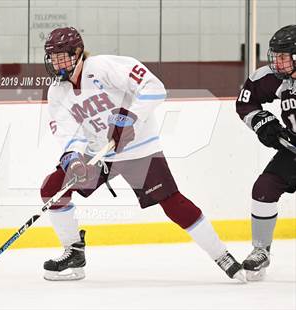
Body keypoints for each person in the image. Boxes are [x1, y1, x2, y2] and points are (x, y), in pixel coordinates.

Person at [40, 26, 245, 282]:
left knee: (173, 203)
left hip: (138, 150)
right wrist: (73, 156)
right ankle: (74, 251)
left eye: (63, 56)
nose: (57, 63)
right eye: (53, 57)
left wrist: (129, 119)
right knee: (53, 188)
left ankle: (222, 256)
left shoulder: (103, 68)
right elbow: (67, 131)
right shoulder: (57, 92)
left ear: (78, 52)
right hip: (99, 155)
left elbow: (154, 86)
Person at [236, 24, 296, 281]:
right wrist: (264, 123)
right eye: (276, 56)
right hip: (293, 151)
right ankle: (261, 250)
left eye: (283, 57)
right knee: (264, 188)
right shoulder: (274, 78)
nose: (277, 63)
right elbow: (245, 102)